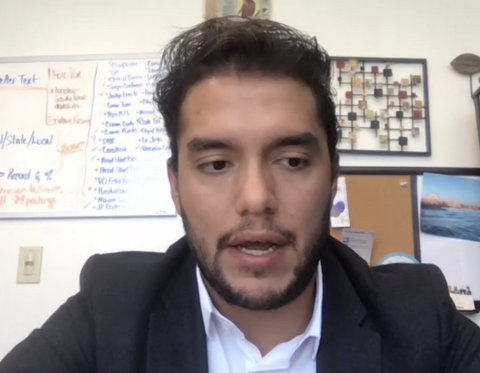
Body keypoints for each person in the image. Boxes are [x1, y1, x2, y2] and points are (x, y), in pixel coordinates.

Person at [1, 16, 479, 373]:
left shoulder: (419, 316)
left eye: (292, 161)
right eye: (216, 164)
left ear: (332, 178)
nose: (255, 198)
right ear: (176, 186)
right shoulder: (110, 311)